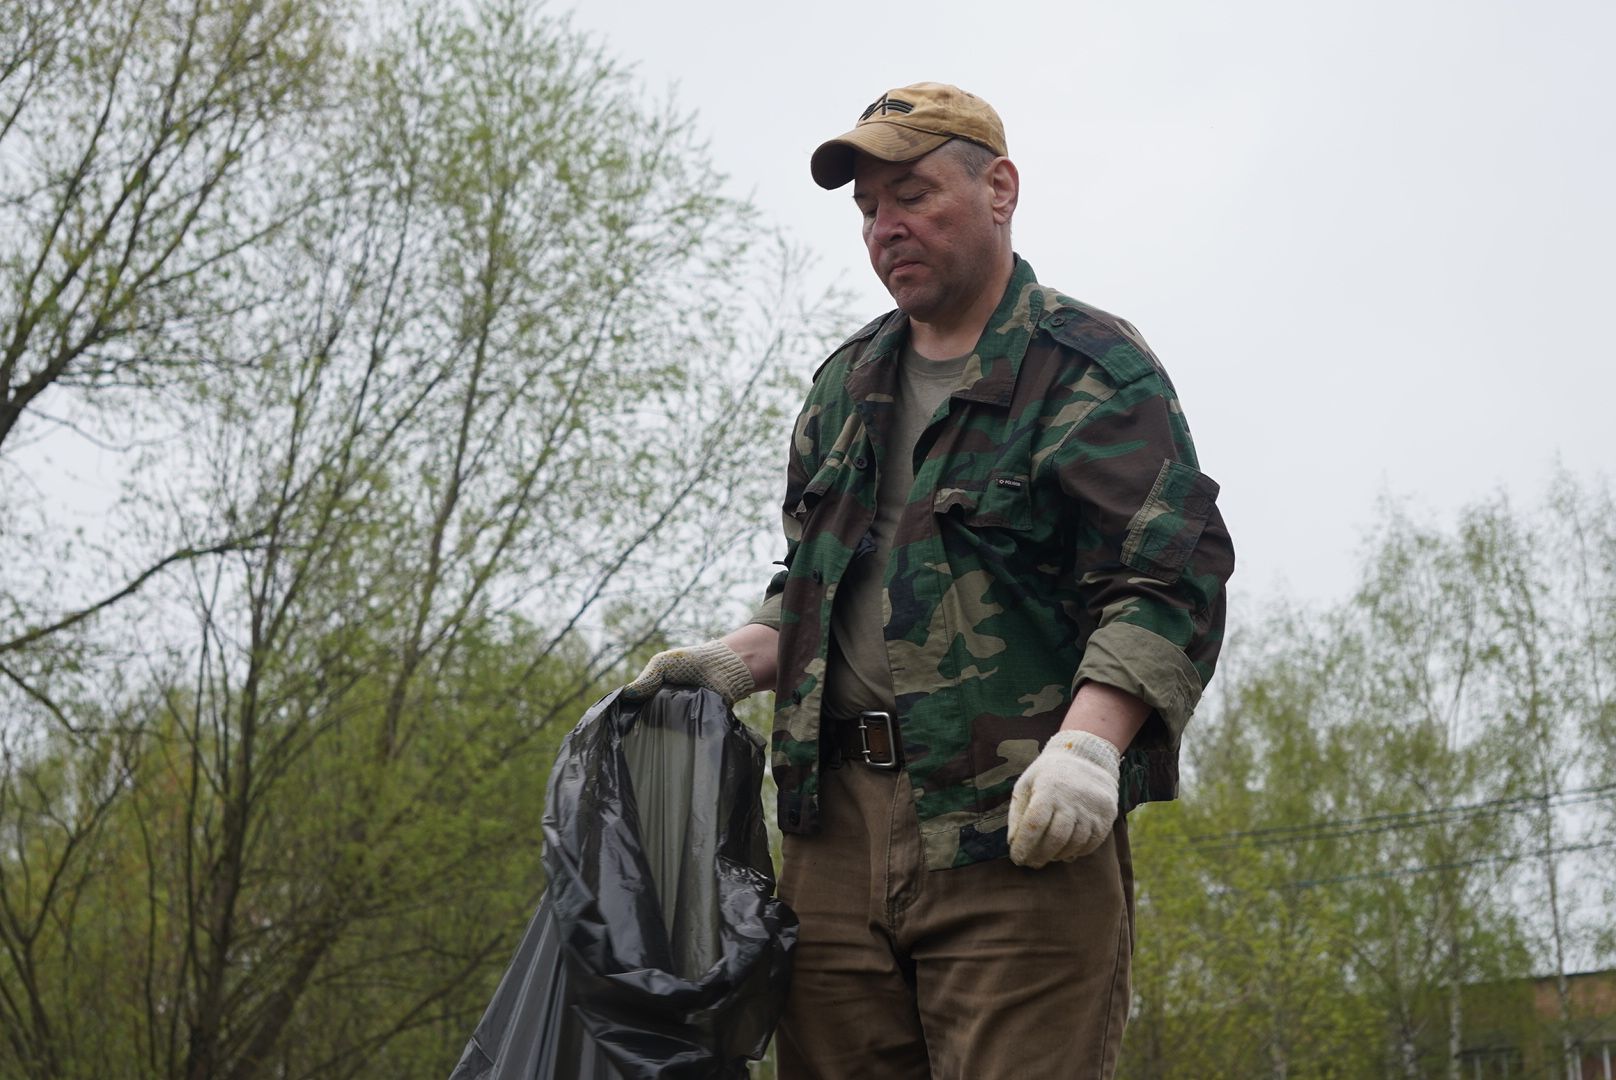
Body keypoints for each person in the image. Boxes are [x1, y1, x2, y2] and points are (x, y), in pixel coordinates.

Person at [626, 81, 1234, 1079]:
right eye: (868, 208)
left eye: (911, 193)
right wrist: (732, 660)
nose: (885, 226)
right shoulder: (845, 385)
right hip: (831, 845)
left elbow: (1165, 577)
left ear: (998, 189)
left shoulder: (1085, 369)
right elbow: (815, 587)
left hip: (1013, 837)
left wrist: (1088, 746)